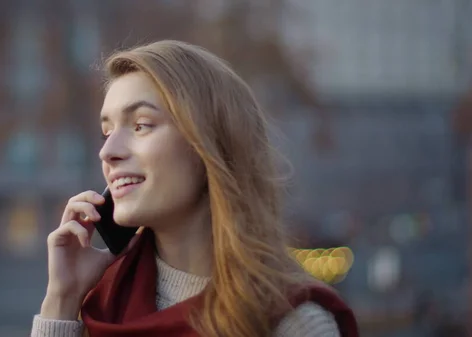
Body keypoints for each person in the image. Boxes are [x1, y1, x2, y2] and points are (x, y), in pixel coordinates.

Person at [31, 40, 358, 337]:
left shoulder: (293, 324)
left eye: (140, 125)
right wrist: (62, 298)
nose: (107, 151)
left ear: (209, 145)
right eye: (107, 132)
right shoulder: (99, 306)